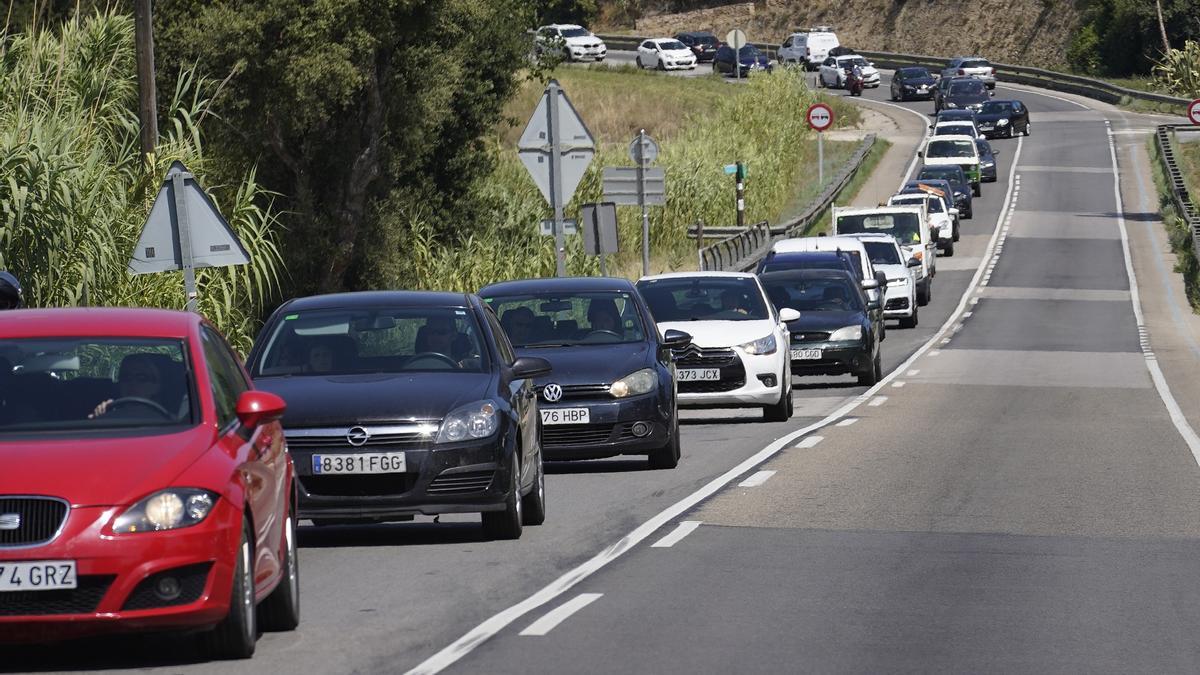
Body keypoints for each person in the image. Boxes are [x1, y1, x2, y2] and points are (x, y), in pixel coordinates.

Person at [90, 354, 171, 419]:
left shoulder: (171, 422)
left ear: (157, 387)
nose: (132, 383)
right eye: (126, 377)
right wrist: (98, 417)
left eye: (141, 378)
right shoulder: (107, 416)